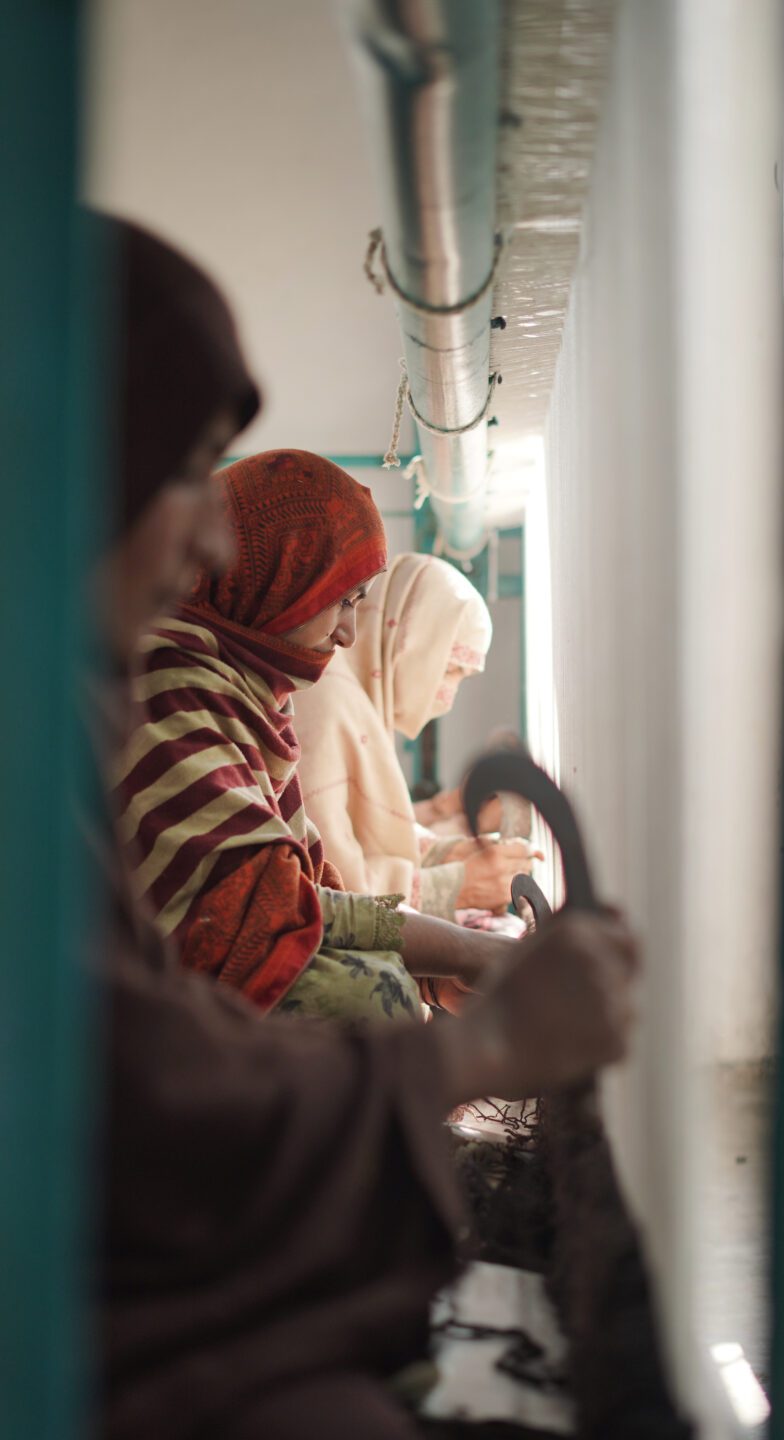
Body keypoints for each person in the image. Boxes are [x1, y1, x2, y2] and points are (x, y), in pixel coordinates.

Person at [94, 214, 639, 1439]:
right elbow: (171, 1043)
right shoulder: (173, 687)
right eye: (181, 473)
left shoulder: (209, 697)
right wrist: (479, 1040)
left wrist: (457, 952)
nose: (208, 536)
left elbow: (277, 897)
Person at [111, 448, 513, 1023]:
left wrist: (432, 973)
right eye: (340, 601)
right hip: (130, 1018)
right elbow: (265, 908)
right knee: (370, 998)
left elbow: (303, 887)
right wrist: (464, 949)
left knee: (388, 987)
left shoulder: (247, 699)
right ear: (280, 580)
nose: (348, 634)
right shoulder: (169, 689)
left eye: (358, 605)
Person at [294, 552, 539, 923]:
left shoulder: (357, 697)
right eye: (451, 670)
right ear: (413, 642)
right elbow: (328, 886)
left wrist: (450, 854)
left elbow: (362, 834)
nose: (448, 698)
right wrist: (456, 886)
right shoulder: (327, 703)